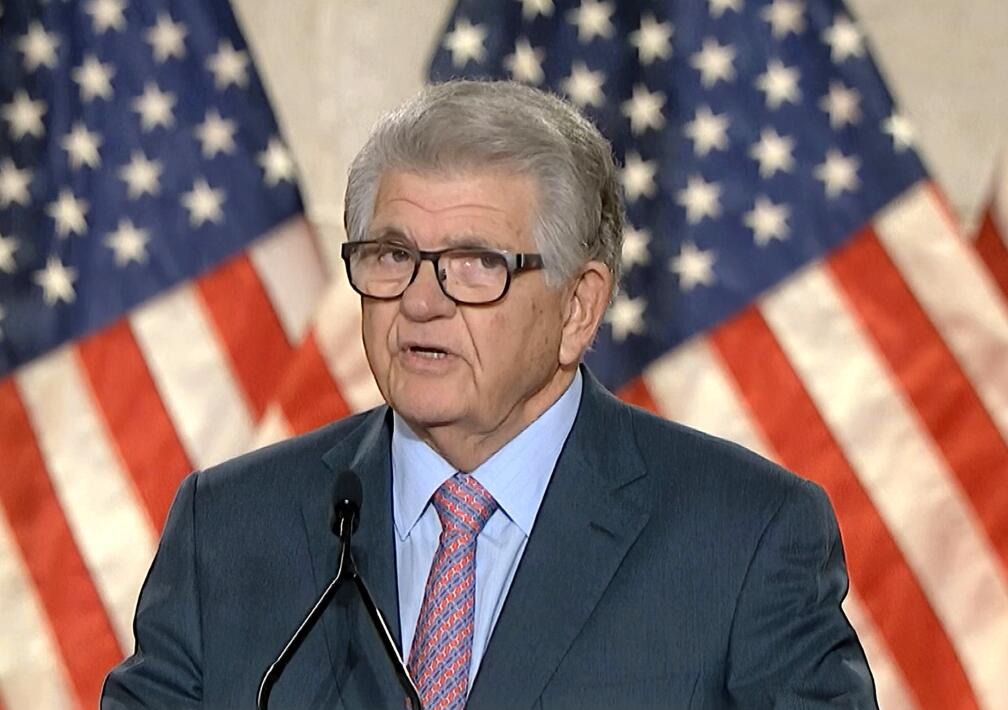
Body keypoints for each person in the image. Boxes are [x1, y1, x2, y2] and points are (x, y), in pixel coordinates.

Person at [102, 80, 877, 709]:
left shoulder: (743, 538)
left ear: (578, 308)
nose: (421, 300)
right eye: (392, 254)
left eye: (475, 264)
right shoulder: (230, 527)